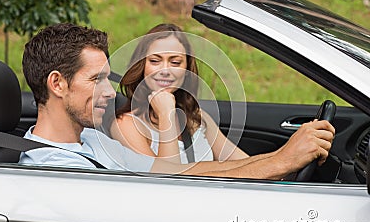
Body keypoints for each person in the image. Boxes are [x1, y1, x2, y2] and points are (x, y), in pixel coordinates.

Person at [19, 22, 335, 180]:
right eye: (95, 80)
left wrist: (282, 157)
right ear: (57, 84)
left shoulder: (92, 138)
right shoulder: (56, 169)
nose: (109, 92)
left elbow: (183, 172)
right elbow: (168, 186)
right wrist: (280, 161)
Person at [111, 23, 335, 174]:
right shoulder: (127, 126)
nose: (165, 70)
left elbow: (238, 162)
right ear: (141, 66)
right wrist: (167, 113)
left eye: (176, 62)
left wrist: (289, 155)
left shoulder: (196, 117)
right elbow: (168, 180)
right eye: (155, 60)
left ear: (187, 68)